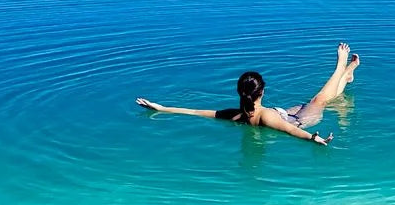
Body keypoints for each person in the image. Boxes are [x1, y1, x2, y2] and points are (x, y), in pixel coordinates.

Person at [136, 42, 360, 145]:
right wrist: (314, 138)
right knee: (318, 100)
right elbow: (291, 131)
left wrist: (162, 108)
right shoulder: (266, 117)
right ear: (262, 91)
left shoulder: (237, 114)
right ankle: (341, 67)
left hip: (283, 114)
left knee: (318, 100)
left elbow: (196, 111)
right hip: (301, 122)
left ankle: (347, 75)